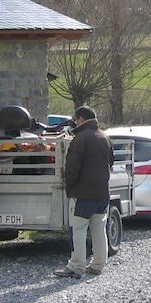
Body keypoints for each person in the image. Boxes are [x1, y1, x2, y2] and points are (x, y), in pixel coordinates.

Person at [54, 105, 113, 278]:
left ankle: (76, 266)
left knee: (78, 229)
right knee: (99, 228)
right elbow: (111, 161)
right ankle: (98, 264)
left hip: (83, 192)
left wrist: (70, 187)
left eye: (75, 119)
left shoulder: (80, 138)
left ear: (81, 119)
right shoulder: (105, 137)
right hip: (102, 191)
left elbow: (72, 167)